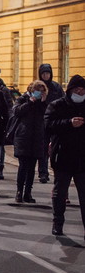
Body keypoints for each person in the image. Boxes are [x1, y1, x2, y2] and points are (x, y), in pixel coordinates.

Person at [45, 74, 85, 237]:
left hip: (83, 159)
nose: (80, 92)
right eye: (77, 89)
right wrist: (69, 123)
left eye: (83, 90)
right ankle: (58, 222)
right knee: (60, 193)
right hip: (62, 156)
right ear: (70, 90)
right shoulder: (58, 105)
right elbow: (48, 126)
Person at [12, 80, 48, 203]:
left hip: (37, 138)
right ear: (32, 90)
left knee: (32, 167)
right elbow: (16, 112)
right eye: (37, 91)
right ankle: (19, 192)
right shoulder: (23, 99)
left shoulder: (42, 103)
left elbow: (46, 116)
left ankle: (28, 193)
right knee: (23, 166)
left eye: (42, 92)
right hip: (23, 137)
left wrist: (43, 102)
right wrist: (29, 102)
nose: (39, 93)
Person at [37, 64, 64, 183]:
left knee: (54, 148)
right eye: (43, 73)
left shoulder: (56, 87)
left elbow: (64, 101)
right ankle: (43, 173)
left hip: (54, 122)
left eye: (47, 73)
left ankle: (55, 170)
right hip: (41, 123)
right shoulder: (38, 87)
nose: (45, 75)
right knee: (43, 149)